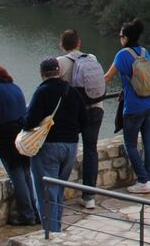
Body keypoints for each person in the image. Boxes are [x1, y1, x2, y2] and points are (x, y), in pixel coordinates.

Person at [24, 57, 84, 233]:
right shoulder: (72, 91)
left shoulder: (42, 92)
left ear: (41, 73)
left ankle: (52, 235)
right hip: (71, 146)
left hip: (48, 147)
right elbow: (85, 120)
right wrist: (70, 133)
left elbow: (30, 122)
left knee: (46, 194)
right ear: (59, 71)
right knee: (57, 190)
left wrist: (21, 119)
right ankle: (56, 229)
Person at [0, 64, 39, 226]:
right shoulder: (15, 87)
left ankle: (27, 215)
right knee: (26, 173)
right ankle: (36, 213)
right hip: (22, 133)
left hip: (6, 136)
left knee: (16, 175)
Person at [105, 18, 150, 194]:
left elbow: (107, 78)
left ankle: (143, 180)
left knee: (130, 143)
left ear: (126, 38)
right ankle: (148, 179)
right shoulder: (144, 52)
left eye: (121, 36)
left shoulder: (122, 55)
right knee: (148, 141)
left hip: (135, 106)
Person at [60, 30, 106, 210]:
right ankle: (89, 197)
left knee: (65, 149)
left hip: (74, 114)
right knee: (91, 150)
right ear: (79, 43)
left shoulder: (60, 63)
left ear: (62, 45)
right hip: (96, 109)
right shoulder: (91, 58)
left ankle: (57, 194)